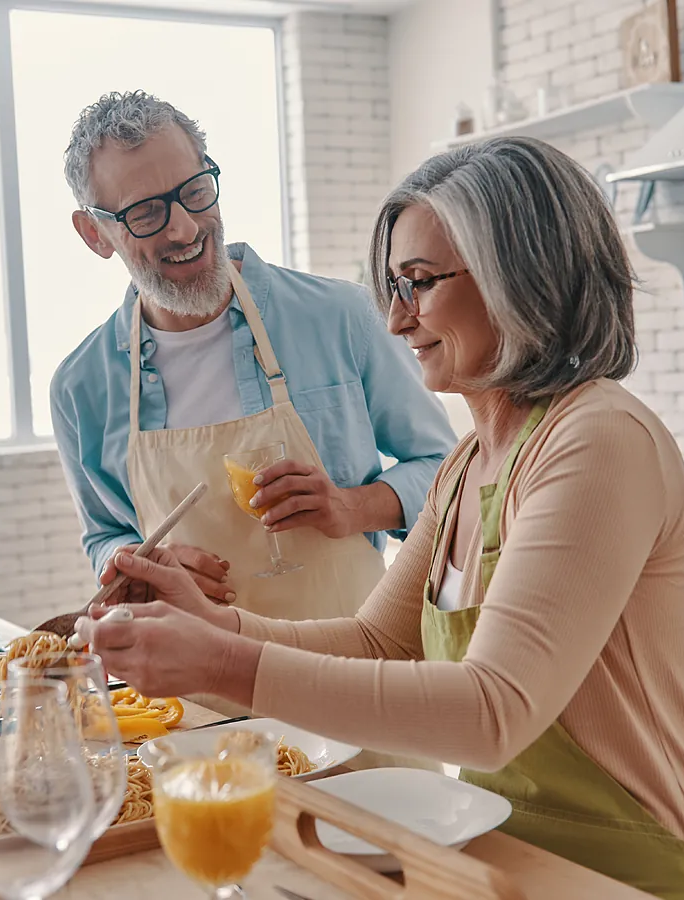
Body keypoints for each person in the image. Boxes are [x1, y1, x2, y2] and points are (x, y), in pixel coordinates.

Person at [82, 136, 684, 900]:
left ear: (522, 276)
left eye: (421, 283)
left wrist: (216, 664)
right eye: (394, 287)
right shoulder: (470, 464)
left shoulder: (597, 439)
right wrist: (212, 626)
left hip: (634, 871)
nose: (399, 321)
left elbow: (493, 710)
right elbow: (378, 642)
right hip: (500, 857)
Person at [52, 90, 457, 625]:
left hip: (351, 678)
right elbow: (106, 536)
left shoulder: (343, 316)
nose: (185, 228)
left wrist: (352, 506)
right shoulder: (81, 386)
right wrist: (140, 565)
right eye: (146, 212)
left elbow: (449, 477)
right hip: (192, 696)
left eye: (195, 192)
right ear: (94, 234)